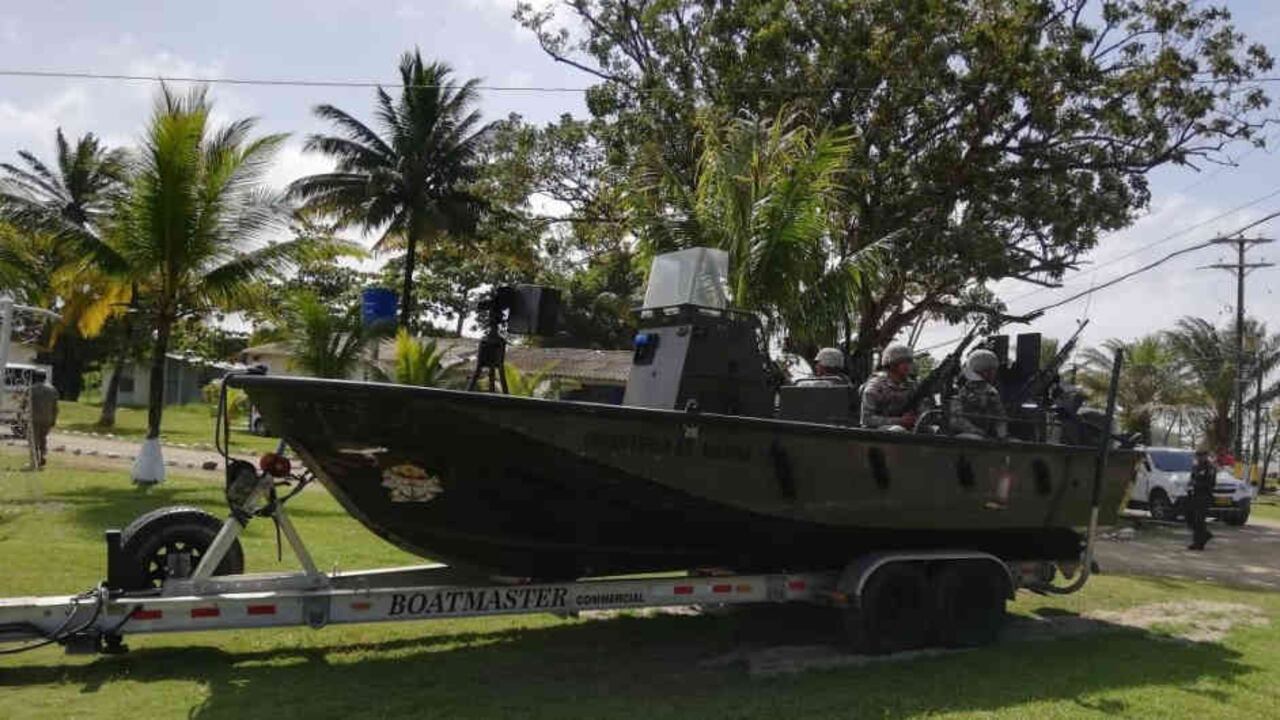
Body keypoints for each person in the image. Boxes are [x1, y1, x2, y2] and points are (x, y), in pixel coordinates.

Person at [860, 344, 922, 431]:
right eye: (902, 362)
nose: (907, 366)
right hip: (875, 432)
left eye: (909, 361)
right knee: (897, 430)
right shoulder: (875, 386)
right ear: (892, 364)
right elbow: (866, 420)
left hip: (904, 428)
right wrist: (900, 421)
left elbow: (921, 411)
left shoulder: (912, 386)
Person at [949, 349, 1008, 439]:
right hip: (964, 435)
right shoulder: (960, 390)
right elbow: (957, 420)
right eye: (991, 370)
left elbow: (1000, 417)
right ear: (984, 372)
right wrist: (978, 432)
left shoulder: (991, 392)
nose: (994, 373)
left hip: (986, 435)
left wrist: (1002, 436)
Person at [1186, 447, 1216, 551]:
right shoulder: (1196, 466)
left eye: (1202, 455)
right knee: (1190, 518)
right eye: (1198, 456)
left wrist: (1197, 484)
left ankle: (1198, 543)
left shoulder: (1210, 467)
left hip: (1205, 496)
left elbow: (1211, 483)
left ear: (1206, 456)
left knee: (1199, 519)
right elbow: (1192, 478)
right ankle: (1205, 535)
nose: (1199, 458)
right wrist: (1190, 485)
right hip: (1194, 495)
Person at [28, 379, 59, 467]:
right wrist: (54, 419)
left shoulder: (32, 389)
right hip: (47, 419)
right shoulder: (52, 390)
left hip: (35, 418)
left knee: (34, 440)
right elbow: (55, 407)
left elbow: (25, 403)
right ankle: (42, 455)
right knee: (43, 438)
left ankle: (35, 459)